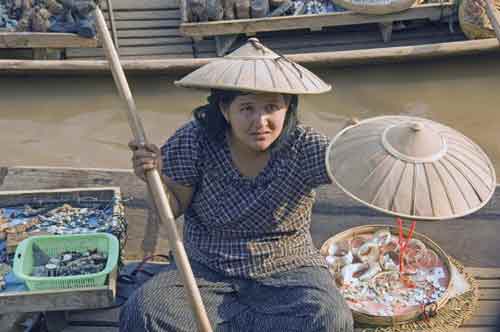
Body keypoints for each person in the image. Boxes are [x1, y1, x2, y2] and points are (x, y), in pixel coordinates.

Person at [120, 38, 354, 332]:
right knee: (143, 312)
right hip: (206, 269)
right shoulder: (196, 140)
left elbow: (351, 172)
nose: (261, 121)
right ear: (224, 109)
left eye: (271, 107)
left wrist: (353, 147)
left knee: (331, 318)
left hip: (289, 270)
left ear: (288, 107)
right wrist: (150, 177)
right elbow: (172, 207)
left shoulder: (303, 145)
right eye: (246, 108)